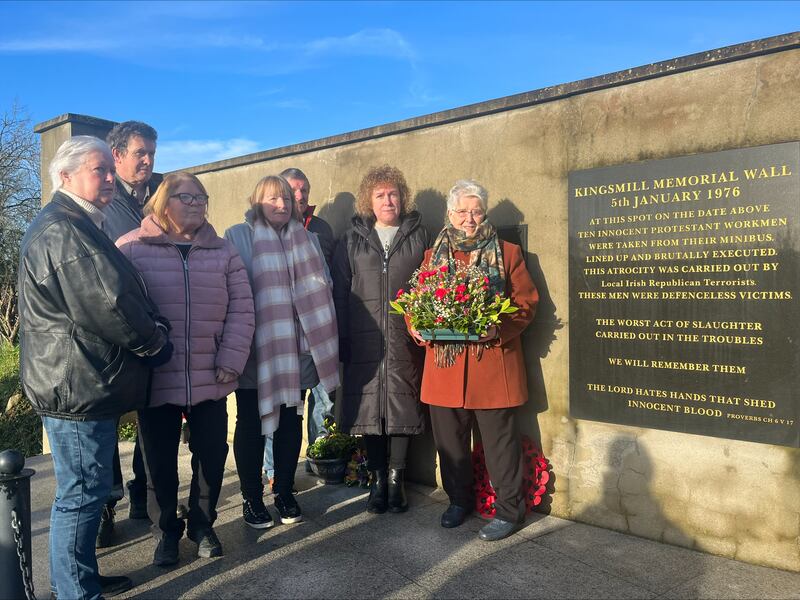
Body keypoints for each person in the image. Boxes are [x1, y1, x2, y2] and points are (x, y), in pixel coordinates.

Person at [18, 136, 173, 599]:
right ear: (65, 177)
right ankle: (75, 592)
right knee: (82, 495)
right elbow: (108, 302)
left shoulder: (77, 221)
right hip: (76, 383)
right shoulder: (64, 229)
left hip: (79, 378)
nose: (109, 177)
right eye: (98, 169)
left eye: (110, 169)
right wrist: (154, 341)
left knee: (85, 492)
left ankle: (79, 577)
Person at [116, 172, 254, 566]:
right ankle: (166, 534)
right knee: (158, 460)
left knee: (211, 453)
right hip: (156, 376)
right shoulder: (130, 248)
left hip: (211, 374)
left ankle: (202, 523)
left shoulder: (224, 251)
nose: (196, 204)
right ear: (163, 201)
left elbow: (243, 309)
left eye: (201, 198)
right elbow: (116, 310)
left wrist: (230, 359)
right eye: (186, 197)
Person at [412, 179, 538, 541]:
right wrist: (416, 327)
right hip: (444, 368)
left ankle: (509, 511)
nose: (470, 218)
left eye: (477, 211)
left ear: (485, 213)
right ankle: (458, 501)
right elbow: (416, 299)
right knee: (450, 443)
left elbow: (527, 304)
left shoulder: (508, 252)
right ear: (450, 214)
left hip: (492, 366)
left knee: (501, 444)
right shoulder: (433, 254)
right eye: (463, 211)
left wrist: (497, 329)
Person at [230, 175, 339, 526]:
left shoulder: (309, 239)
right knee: (250, 422)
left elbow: (326, 286)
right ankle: (251, 498)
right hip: (255, 350)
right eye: (273, 199)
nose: (282, 205)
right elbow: (230, 291)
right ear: (256, 201)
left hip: (298, 350)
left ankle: (285, 491)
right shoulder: (238, 237)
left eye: (287, 200)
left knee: (291, 423)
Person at [332, 165, 428, 513]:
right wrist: (343, 339)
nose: (388, 201)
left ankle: (395, 482)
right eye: (380, 195)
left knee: (402, 403)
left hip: (405, 337)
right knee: (370, 409)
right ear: (368, 201)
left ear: (403, 198)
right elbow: (340, 291)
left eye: (393, 194)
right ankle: (376, 482)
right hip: (364, 337)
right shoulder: (351, 239)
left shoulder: (419, 235)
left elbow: (430, 284)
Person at [97, 120, 162, 548]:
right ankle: (106, 507)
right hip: (112, 327)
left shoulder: (159, 193)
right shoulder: (102, 200)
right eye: (140, 152)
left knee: (152, 414)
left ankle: (143, 494)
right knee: (105, 422)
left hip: (152, 323)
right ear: (117, 155)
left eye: (152, 152)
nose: (148, 160)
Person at [280, 167, 336, 459]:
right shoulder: (263, 230)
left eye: (304, 190)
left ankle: (320, 456)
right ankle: (275, 469)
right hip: (284, 333)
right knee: (286, 406)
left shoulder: (321, 229)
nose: (300, 196)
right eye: (294, 190)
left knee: (325, 400)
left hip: (319, 330)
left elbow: (332, 277)